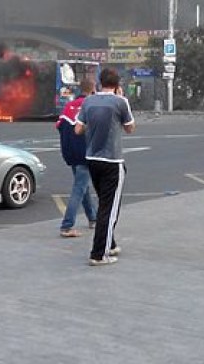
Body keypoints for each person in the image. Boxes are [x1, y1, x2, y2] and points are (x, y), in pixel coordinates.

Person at [74, 67, 136, 266]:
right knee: (109, 209)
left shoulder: (88, 101)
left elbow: (78, 129)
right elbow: (130, 129)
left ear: (100, 83)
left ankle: (110, 243)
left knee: (104, 205)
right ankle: (99, 253)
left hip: (92, 158)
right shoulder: (120, 102)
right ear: (117, 85)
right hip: (112, 161)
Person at [56, 79, 97, 238]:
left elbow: (59, 126)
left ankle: (93, 218)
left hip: (70, 153)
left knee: (83, 185)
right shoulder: (91, 106)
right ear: (93, 90)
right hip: (85, 153)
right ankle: (67, 225)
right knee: (79, 187)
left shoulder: (68, 106)